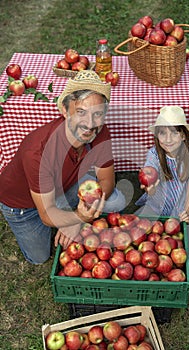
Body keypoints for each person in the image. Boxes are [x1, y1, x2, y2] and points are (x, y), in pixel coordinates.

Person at [0, 70, 126, 264]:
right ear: (66, 110)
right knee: (39, 257)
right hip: (22, 205)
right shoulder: (38, 153)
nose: (90, 124)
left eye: (98, 114)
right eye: (81, 112)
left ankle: (70, 211)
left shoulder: (99, 131)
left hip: (63, 185)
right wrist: (78, 217)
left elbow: (107, 180)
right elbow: (46, 213)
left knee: (116, 201)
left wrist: (79, 220)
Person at [135, 106, 189, 258]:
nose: (168, 139)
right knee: (133, 234)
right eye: (162, 133)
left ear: (183, 136)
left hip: (180, 210)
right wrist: (150, 189)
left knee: (185, 253)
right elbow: (149, 180)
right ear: (157, 136)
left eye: (174, 132)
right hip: (155, 205)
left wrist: (186, 212)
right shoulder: (154, 154)